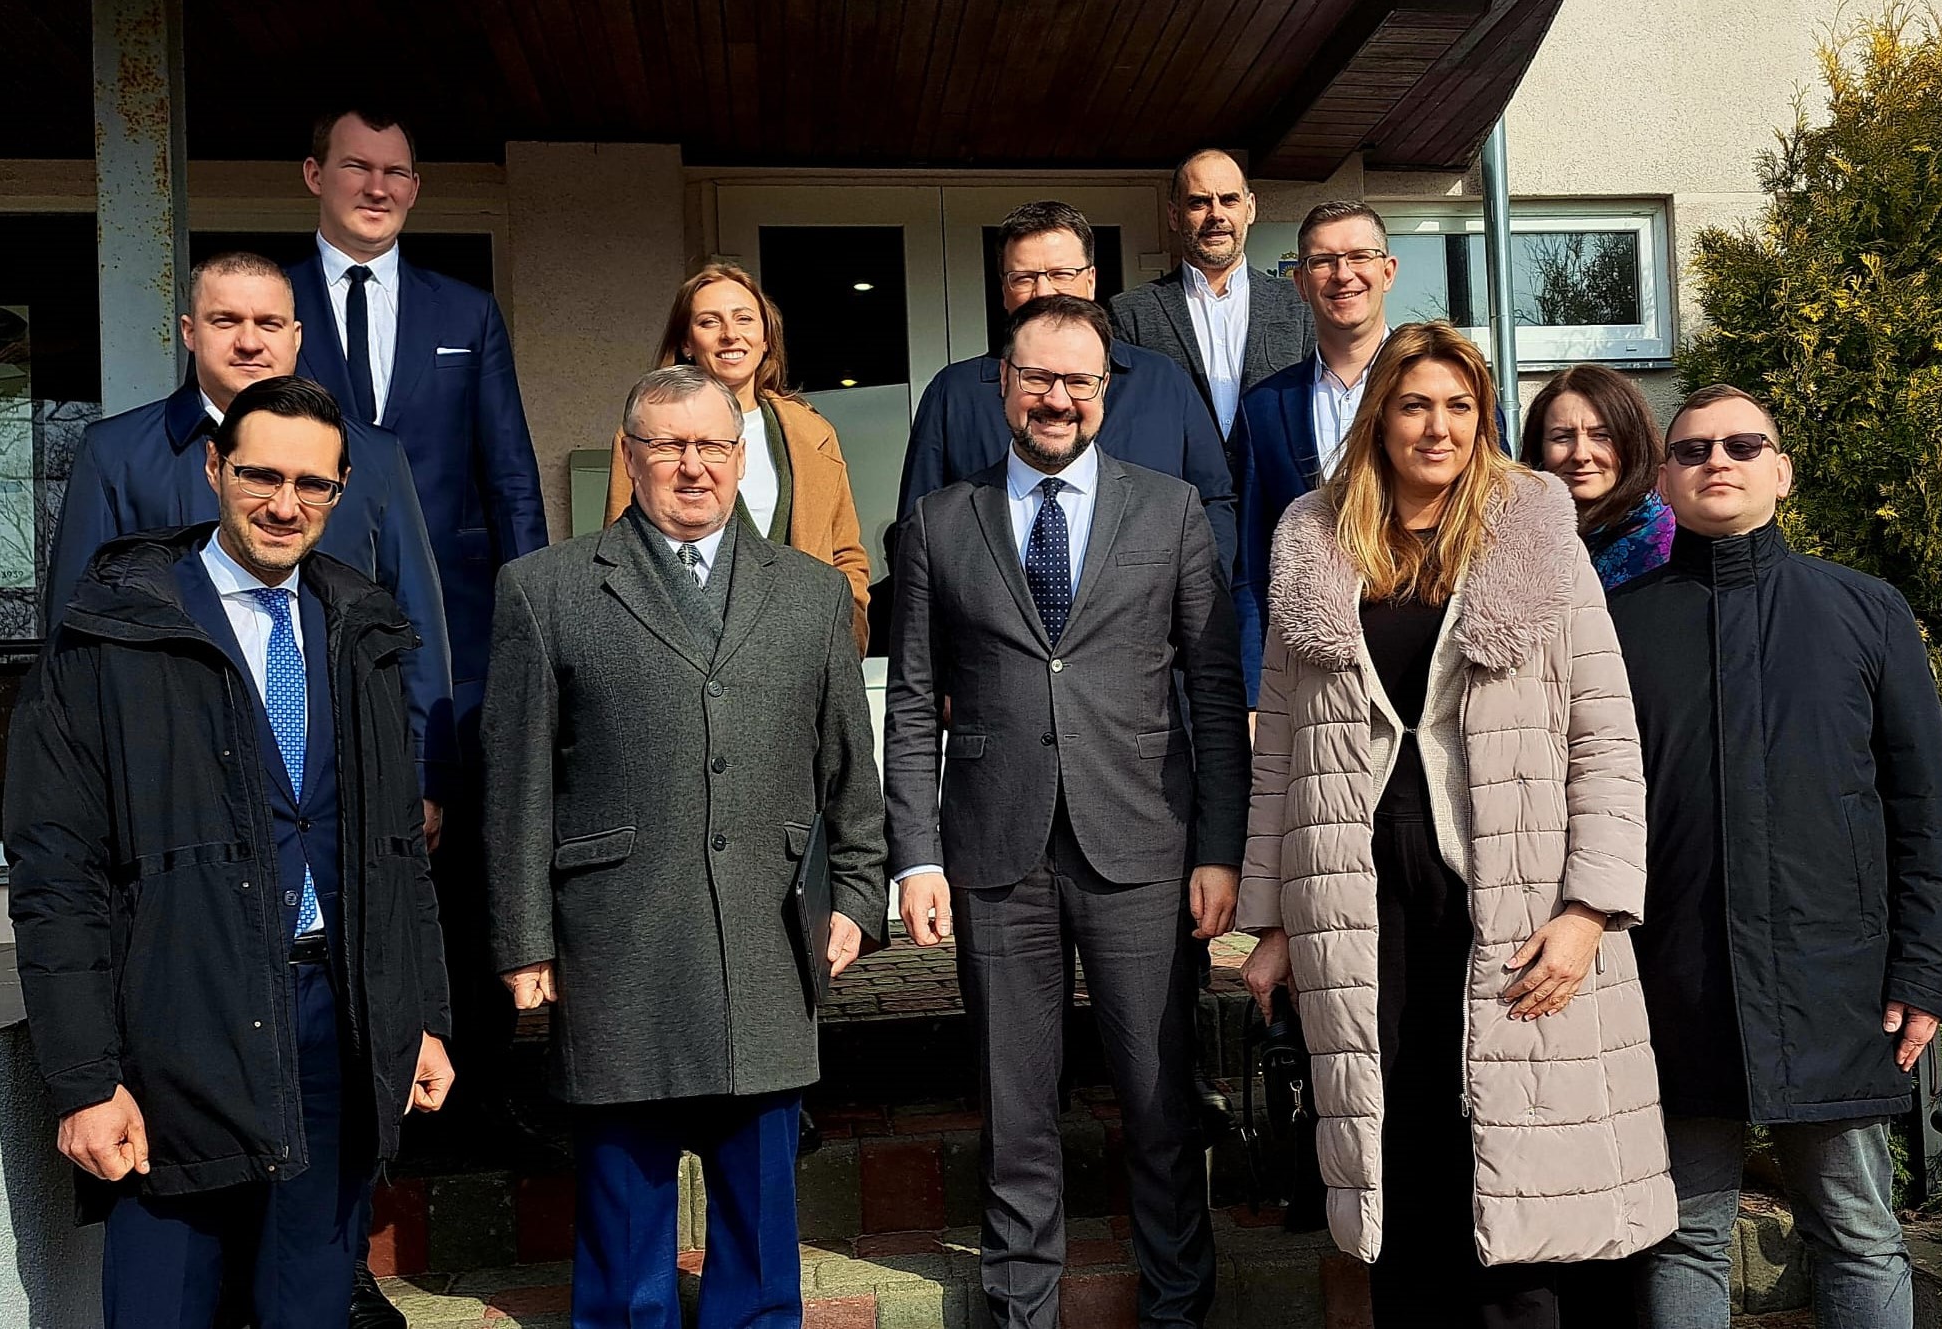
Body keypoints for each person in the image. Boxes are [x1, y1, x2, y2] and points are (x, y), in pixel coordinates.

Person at [1236, 321, 1675, 1328]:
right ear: (1378, 417)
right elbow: (1279, 751)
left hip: (1515, 897)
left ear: (1481, 419)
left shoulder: (1532, 530)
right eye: (1414, 405)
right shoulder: (1313, 539)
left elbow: (1605, 736)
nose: (1437, 428)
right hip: (1357, 903)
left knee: (1516, 1170)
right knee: (1394, 1157)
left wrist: (1591, 909)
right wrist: (1272, 919)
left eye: (1459, 406)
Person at [5, 376, 454, 1329]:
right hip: (176, 1033)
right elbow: (56, 874)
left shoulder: (363, 629)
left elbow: (395, 855)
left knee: (310, 1309)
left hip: (335, 1030)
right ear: (214, 467)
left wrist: (418, 1018)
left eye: (313, 483)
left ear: (340, 492)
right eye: (261, 475)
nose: (285, 504)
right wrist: (85, 1080)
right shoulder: (112, 632)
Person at [483, 365, 888, 1328]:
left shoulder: (811, 593)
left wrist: (858, 893)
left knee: (760, 1239)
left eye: (711, 445)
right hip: (618, 943)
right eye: (668, 445)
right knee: (626, 1245)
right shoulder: (546, 589)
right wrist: (523, 938)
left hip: (766, 939)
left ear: (741, 459)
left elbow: (849, 767)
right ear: (630, 458)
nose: (692, 465)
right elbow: (516, 782)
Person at [885, 295, 1249, 1329]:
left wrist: (1219, 848)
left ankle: (1177, 1309)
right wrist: (916, 856)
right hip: (994, 852)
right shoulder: (938, 521)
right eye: (1037, 377)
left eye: (1077, 380)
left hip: (1142, 843)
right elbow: (911, 700)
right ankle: (1021, 1310)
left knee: (1160, 1102)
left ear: (1103, 391)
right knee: (1014, 1113)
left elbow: (1213, 692)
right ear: (1004, 384)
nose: (1056, 398)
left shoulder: (1169, 510)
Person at [1610, 384, 1942, 1329]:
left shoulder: (1865, 610)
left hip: (1834, 979)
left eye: (1741, 444)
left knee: (1857, 1232)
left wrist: (1924, 969)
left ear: (1781, 471)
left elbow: (1922, 810)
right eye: (1691, 449)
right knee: (1682, 1235)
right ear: (1663, 480)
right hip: (1673, 978)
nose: (1716, 461)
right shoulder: (1615, 625)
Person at [287, 108, 550, 1216]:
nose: (377, 186)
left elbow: (510, 476)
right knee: (337, 850)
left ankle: (478, 1089)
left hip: (461, 639)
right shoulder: (271, 307)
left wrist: (532, 626)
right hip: (305, 628)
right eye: (357, 166)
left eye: (397, 171)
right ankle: (353, 1093)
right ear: (314, 173)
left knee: (467, 862)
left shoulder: (464, 311)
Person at [45, 251, 456, 819]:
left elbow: (416, 618)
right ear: (189, 332)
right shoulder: (115, 455)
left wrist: (426, 773)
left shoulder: (375, 457)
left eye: (268, 323)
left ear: (296, 337)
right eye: (226, 321)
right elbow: (74, 631)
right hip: (173, 779)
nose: (249, 342)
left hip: (343, 772)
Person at [896, 200, 1237, 575]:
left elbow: (1213, 500)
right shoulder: (953, 394)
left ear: (1091, 281)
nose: (1044, 292)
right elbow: (917, 528)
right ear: (1004, 289)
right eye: (1024, 278)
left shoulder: (1163, 382)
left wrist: (1197, 593)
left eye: (1061, 274)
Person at [602, 262, 872, 650]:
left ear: (766, 339)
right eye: (709, 322)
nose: (731, 334)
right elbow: (622, 551)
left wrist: (845, 636)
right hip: (688, 654)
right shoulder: (645, 436)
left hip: (801, 651)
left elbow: (846, 554)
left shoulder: (813, 434)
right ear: (686, 343)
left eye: (744, 319)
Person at [1231, 200, 1399, 703]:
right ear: (1301, 283)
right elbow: (1251, 563)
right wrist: (1255, 694)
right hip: (1313, 675)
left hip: (1430, 657)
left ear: (1388, 271)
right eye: (1322, 261)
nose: (1342, 274)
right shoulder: (1263, 408)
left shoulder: (1449, 390)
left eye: (1359, 256)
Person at [1109, 148, 1314, 453]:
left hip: (1277, 483)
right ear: (1174, 215)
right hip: (1178, 483)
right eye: (1199, 202)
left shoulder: (1300, 304)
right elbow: (1126, 424)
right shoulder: (1132, 313)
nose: (1216, 214)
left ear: (1250, 208)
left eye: (1229, 200)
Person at [1520, 363, 1673, 589]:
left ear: (1632, 443)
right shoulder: (1517, 538)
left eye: (1601, 436)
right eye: (1562, 437)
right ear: (1539, 448)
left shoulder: (1672, 545)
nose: (1581, 455)